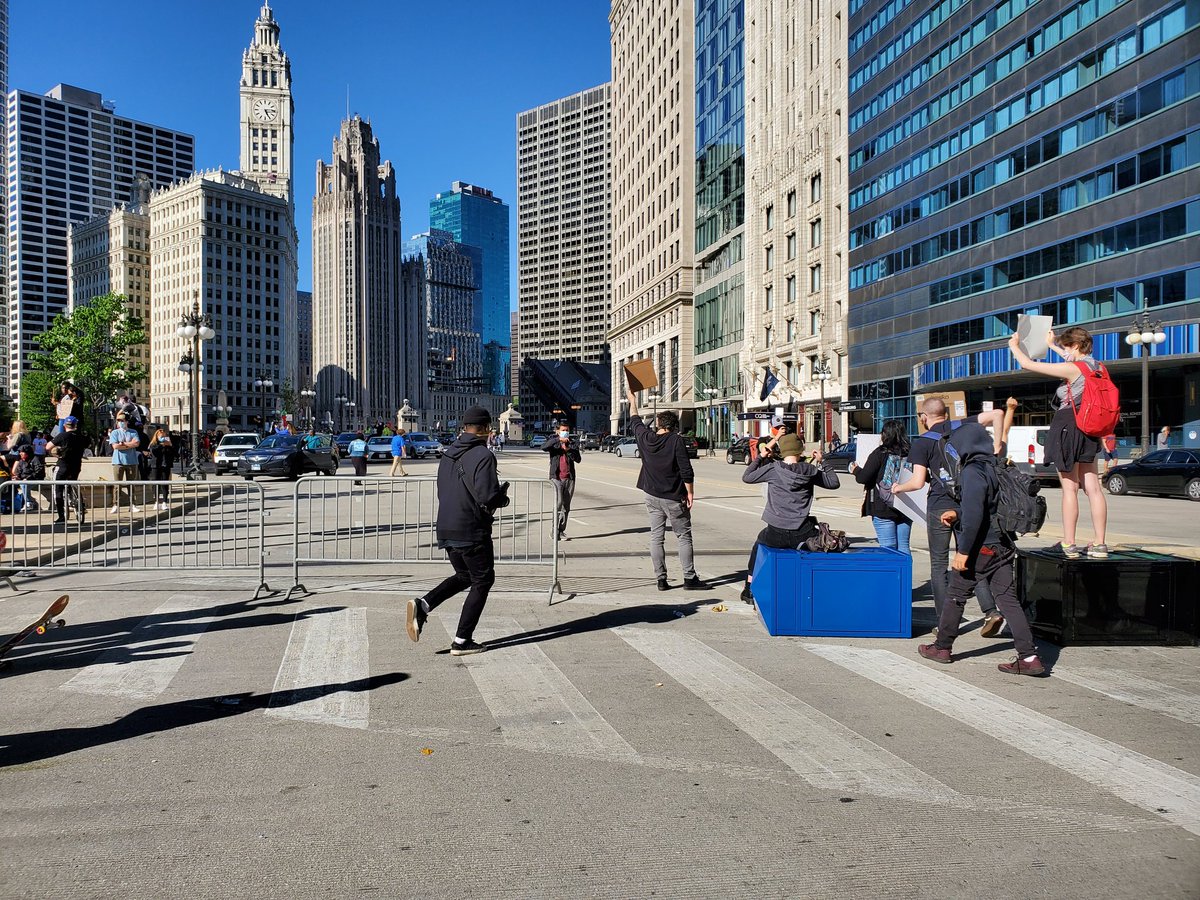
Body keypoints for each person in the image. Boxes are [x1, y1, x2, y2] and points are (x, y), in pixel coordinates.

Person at [917, 421, 1045, 677]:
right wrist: (957, 512)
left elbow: (976, 515)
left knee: (956, 594)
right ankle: (1029, 657)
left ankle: (942, 647)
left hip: (982, 546)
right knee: (1008, 600)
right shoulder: (994, 467)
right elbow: (988, 508)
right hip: (1003, 544)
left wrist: (963, 551)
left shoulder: (973, 471)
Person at [892, 399, 1006, 634]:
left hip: (939, 506)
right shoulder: (963, 426)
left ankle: (945, 623)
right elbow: (997, 413)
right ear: (945, 413)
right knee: (970, 557)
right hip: (966, 503)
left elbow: (917, 482)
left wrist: (897, 488)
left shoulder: (922, 443)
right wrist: (997, 445)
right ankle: (990, 611)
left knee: (939, 565)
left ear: (924, 417)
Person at [405, 406, 509, 656]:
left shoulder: (448, 454)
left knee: (465, 575)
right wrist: (502, 499)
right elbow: (486, 495)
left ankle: (424, 605)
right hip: (470, 527)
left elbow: (443, 490)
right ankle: (462, 640)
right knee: (483, 580)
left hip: (446, 526)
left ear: (464, 427)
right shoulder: (483, 455)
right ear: (485, 429)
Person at [1008, 327, 1108, 559]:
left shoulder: (1074, 369)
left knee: (1070, 488)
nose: (1064, 351)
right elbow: (1071, 360)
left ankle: (1069, 543)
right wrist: (1052, 345)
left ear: (1074, 346)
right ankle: (1099, 544)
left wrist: (1014, 346)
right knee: (1093, 488)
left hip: (1068, 426)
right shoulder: (1099, 368)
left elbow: (1028, 364)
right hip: (1091, 427)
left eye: (1066, 347)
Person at [741, 432, 840, 603]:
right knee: (817, 549)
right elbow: (833, 482)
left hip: (775, 531)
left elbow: (747, 477)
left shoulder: (773, 469)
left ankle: (749, 589)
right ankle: (816, 592)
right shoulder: (810, 471)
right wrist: (823, 461)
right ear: (800, 450)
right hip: (802, 531)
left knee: (758, 546)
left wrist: (761, 456)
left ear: (782, 450)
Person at [627, 390, 707, 591]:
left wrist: (632, 400)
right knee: (683, 536)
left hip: (651, 495)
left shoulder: (645, 438)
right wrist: (690, 492)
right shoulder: (676, 440)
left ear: (658, 425)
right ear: (673, 427)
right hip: (673, 496)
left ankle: (661, 579)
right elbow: (686, 470)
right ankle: (689, 578)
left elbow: (634, 418)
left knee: (656, 536)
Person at [848, 419, 912, 556]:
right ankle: (905, 576)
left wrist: (855, 469)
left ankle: (891, 577)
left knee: (888, 547)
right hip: (906, 505)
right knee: (904, 546)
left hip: (883, 506)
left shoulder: (880, 452)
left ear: (885, 435)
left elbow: (863, 477)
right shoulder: (910, 452)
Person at [543, 424, 581, 540]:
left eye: (567, 430)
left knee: (566, 506)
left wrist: (568, 450)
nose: (565, 432)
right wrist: (558, 440)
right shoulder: (554, 442)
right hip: (556, 477)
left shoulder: (572, 443)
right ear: (558, 431)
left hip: (569, 478)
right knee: (559, 503)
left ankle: (561, 530)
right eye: (563, 430)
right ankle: (554, 530)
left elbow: (578, 459)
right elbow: (544, 447)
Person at [46, 416, 87, 525]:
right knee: (72, 482)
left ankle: (61, 516)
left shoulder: (62, 436)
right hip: (76, 465)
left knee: (58, 490)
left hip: (63, 465)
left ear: (64, 425)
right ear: (76, 425)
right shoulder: (81, 437)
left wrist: (55, 453)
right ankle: (77, 501)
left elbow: (48, 447)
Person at [107, 412, 142, 514]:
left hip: (131, 461)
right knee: (118, 484)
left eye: (122, 420)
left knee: (131, 484)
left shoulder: (133, 432)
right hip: (118, 461)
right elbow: (115, 446)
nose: (120, 422)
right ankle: (115, 504)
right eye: (118, 421)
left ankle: (133, 504)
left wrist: (123, 444)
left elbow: (137, 443)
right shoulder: (115, 433)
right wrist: (129, 444)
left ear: (127, 421)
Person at [11, 446, 45, 512]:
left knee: (24, 485)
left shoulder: (35, 459)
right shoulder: (21, 461)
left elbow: (38, 471)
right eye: (20, 452)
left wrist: (28, 478)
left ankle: (29, 503)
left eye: (22, 452)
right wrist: (17, 477)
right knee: (15, 483)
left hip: (35, 479)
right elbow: (19, 471)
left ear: (27, 453)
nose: (20, 454)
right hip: (24, 480)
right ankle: (15, 504)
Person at [150, 425, 175, 510]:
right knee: (156, 483)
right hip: (156, 465)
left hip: (165, 465)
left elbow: (174, 454)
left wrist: (170, 445)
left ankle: (164, 502)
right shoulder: (154, 444)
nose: (162, 438)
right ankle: (156, 501)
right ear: (157, 436)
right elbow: (154, 451)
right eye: (161, 436)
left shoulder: (168, 444)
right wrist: (161, 445)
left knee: (165, 484)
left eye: (164, 436)